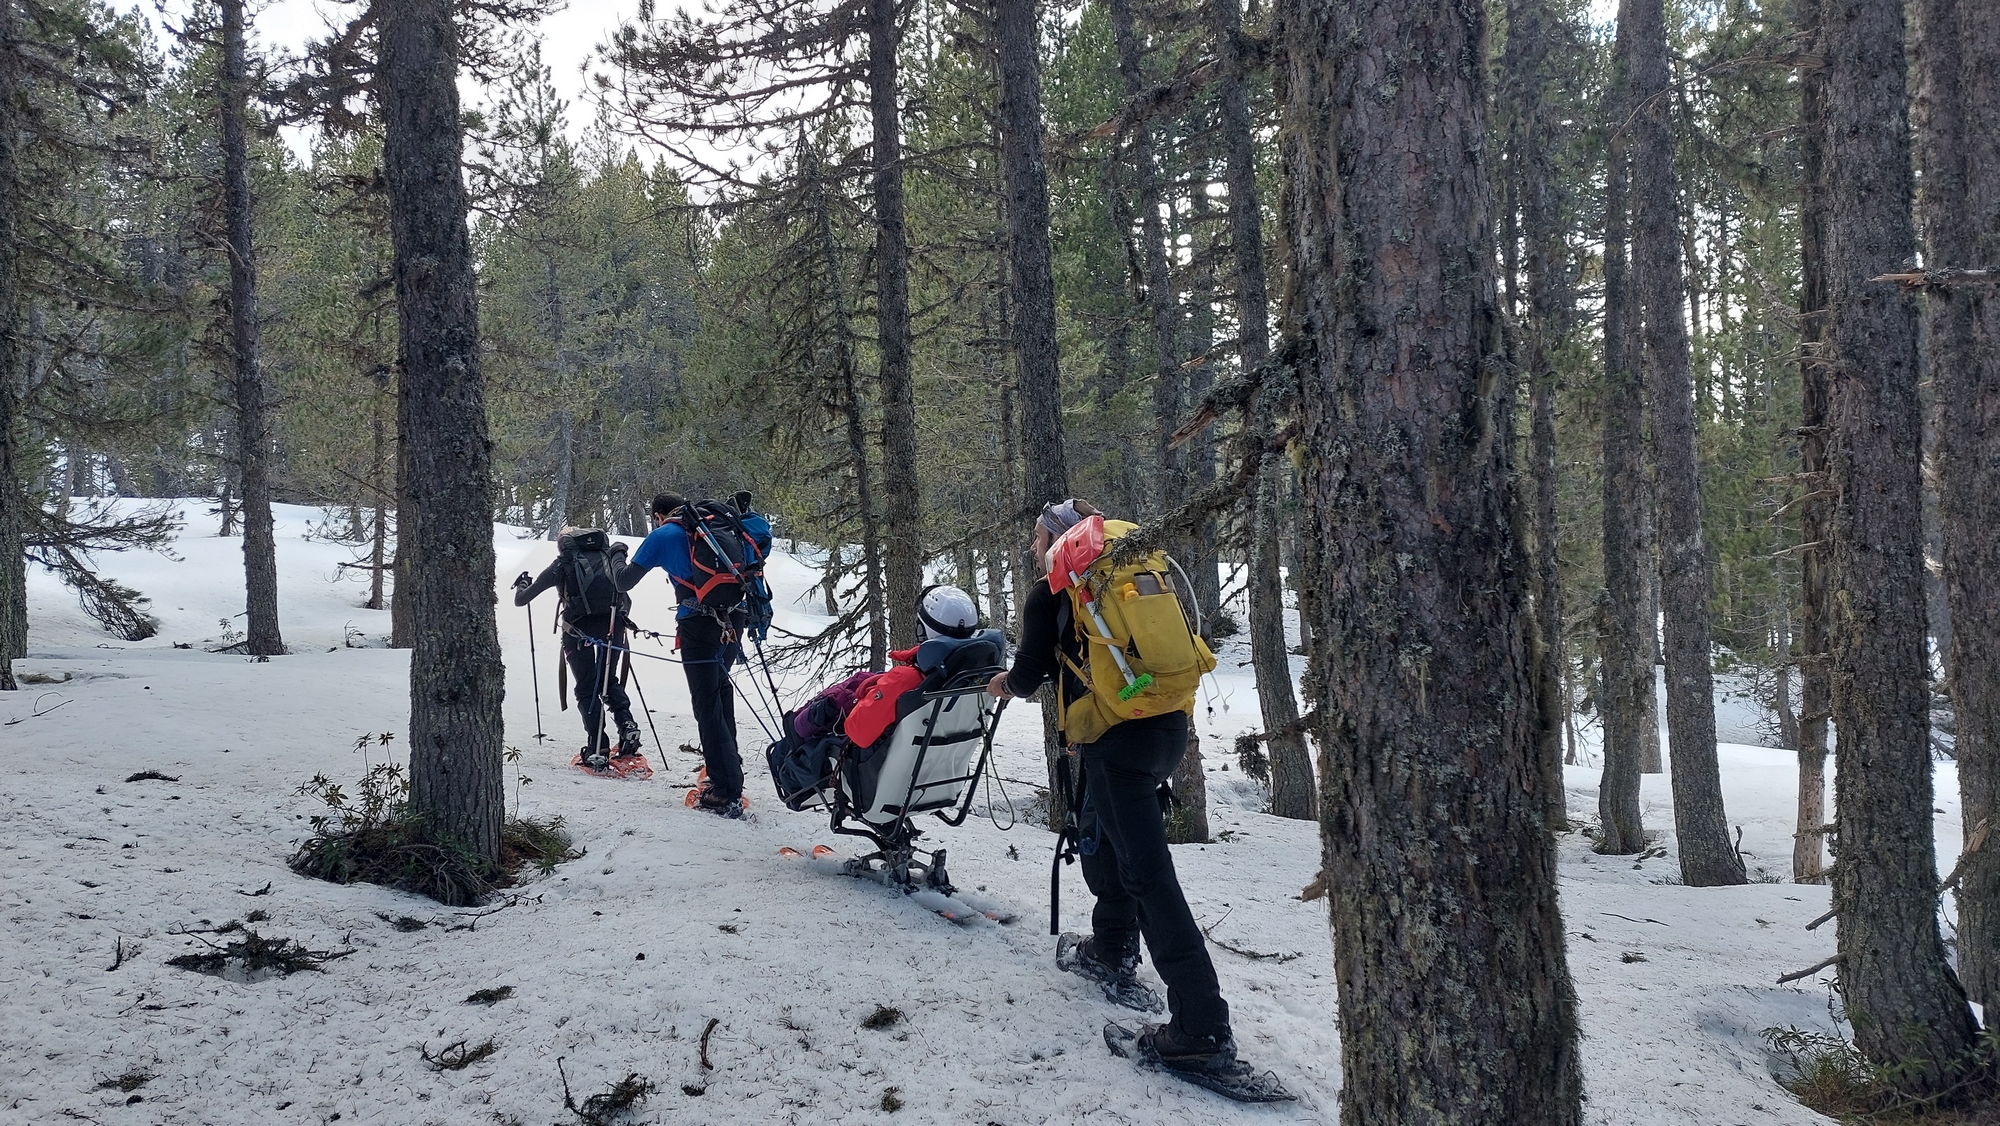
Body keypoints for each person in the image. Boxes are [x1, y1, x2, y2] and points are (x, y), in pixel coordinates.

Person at [986, 499, 1247, 1085]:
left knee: (1147, 875)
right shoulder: (1129, 567)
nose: (1033, 551)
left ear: (1056, 540)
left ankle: (1200, 1031)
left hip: (1117, 742)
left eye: (1037, 539)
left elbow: (1029, 675)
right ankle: (1112, 947)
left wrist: (1001, 683)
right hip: (1166, 728)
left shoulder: (1053, 591)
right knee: (1112, 842)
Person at [618, 492, 772, 817]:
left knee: (706, 701)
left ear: (658, 515)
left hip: (698, 622)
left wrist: (618, 553)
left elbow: (624, 582)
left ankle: (725, 790)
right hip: (735, 616)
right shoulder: (716, 529)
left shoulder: (664, 534)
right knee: (720, 690)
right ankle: (729, 769)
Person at [513, 527, 640, 771]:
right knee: (607, 679)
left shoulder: (563, 563)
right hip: (614, 626)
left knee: (586, 687)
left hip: (577, 631)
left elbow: (523, 599)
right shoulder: (607, 557)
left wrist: (522, 585)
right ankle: (627, 725)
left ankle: (598, 746)